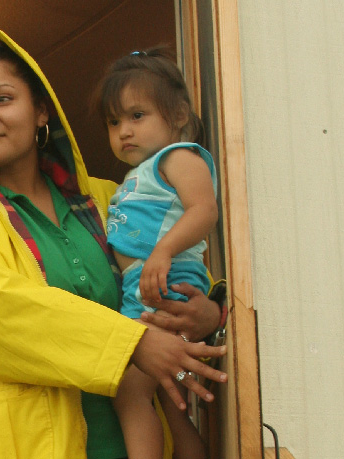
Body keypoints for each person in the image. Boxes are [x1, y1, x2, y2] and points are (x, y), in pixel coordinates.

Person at [0, 27, 226, 459]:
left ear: (41, 111)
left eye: (2, 99)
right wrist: (130, 344)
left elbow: (176, 266)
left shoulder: (110, 197)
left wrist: (207, 311)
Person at [95, 47, 219, 459]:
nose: (124, 131)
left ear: (179, 114)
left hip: (167, 288)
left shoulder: (178, 157)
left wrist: (163, 251)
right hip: (147, 290)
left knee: (130, 392)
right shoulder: (136, 175)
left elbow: (205, 209)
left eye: (136, 115)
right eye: (114, 122)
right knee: (169, 399)